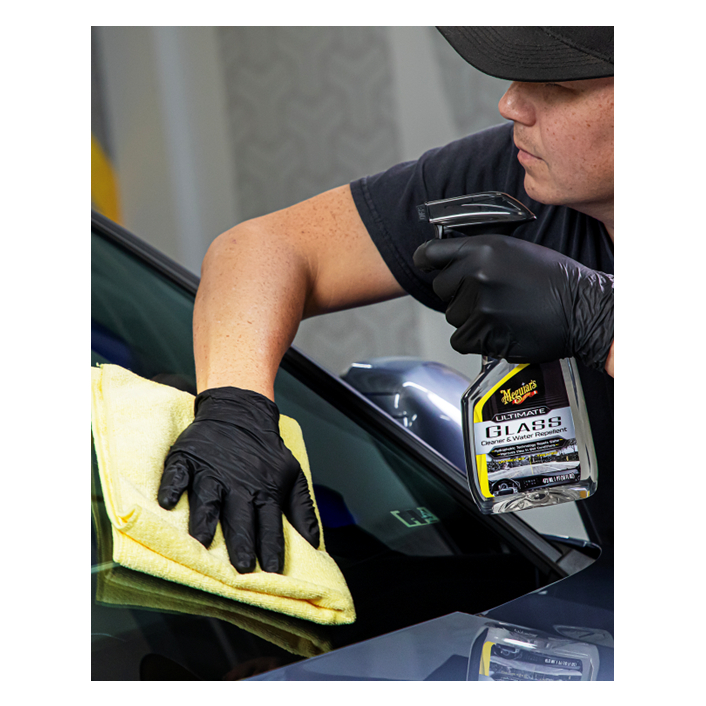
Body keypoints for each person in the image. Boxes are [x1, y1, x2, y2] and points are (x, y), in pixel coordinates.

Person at [158, 26, 615, 573]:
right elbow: (262, 248)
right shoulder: (516, 174)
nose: (511, 103)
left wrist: (604, 319)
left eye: (559, 87)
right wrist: (236, 406)